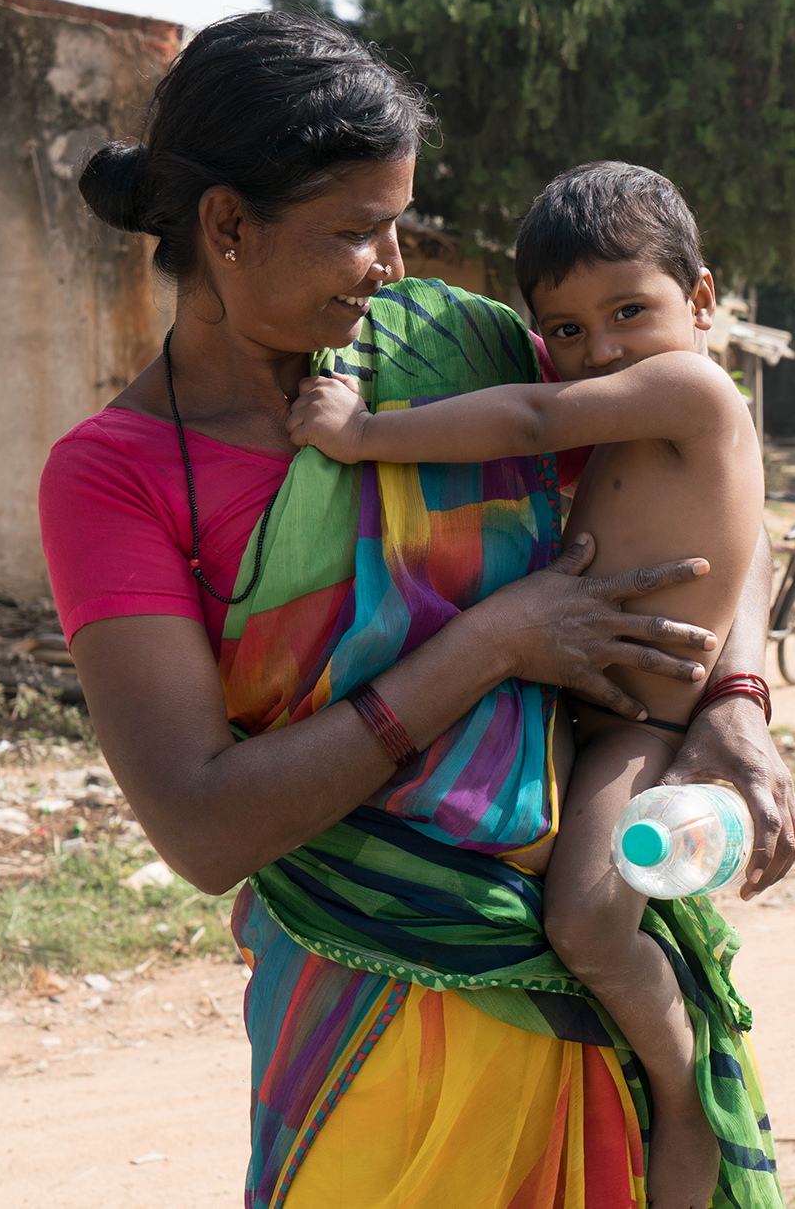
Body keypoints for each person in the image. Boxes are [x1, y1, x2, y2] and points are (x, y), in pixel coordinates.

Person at [39, 14, 795, 1209]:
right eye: (356, 231)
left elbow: (702, 491)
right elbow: (200, 828)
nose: (393, 264)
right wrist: (493, 642)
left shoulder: (458, 353)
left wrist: (738, 696)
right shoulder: (118, 477)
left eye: (397, 222)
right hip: (360, 1008)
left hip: (582, 997)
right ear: (227, 224)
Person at [286, 161, 762, 1209]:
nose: (598, 351)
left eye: (627, 311)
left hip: (638, 727)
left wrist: (363, 436)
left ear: (702, 299)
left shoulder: (691, 389)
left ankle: (682, 1081)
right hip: (565, 706)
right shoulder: (638, 411)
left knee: (588, 923)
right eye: (566, 329)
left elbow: (534, 421)